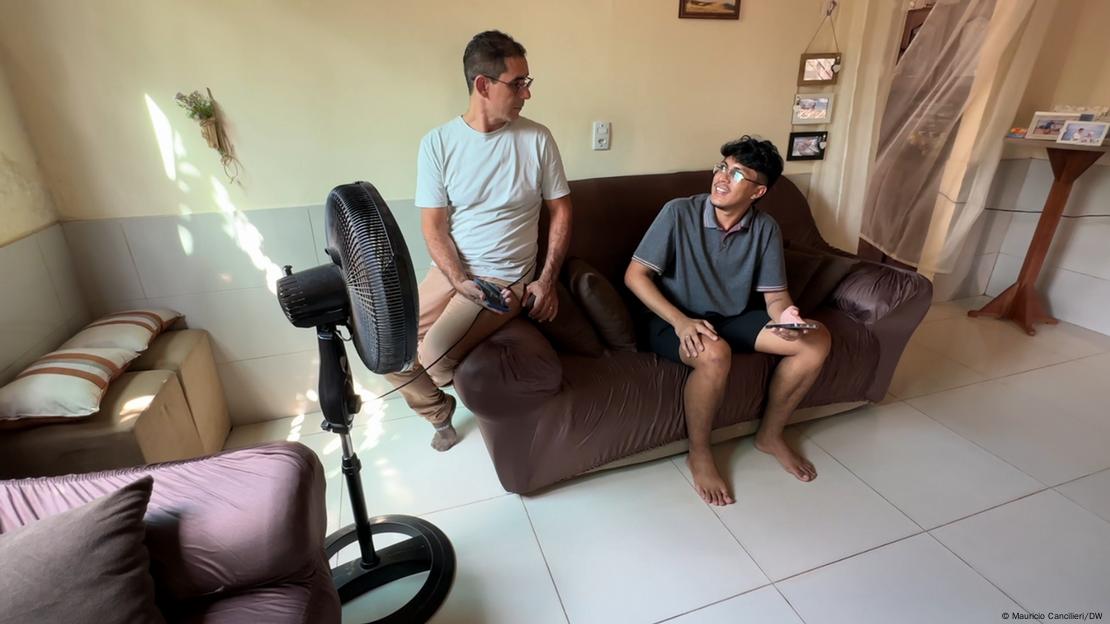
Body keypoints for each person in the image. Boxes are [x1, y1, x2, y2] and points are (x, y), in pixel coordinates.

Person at [385, 30, 573, 452]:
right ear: (483, 85)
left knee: (431, 354)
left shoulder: (537, 139)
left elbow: (561, 210)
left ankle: (445, 391)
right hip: (453, 270)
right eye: (518, 83)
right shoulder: (438, 144)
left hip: (504, 278)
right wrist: (456, 278)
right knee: (386, 345)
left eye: (528, 82)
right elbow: (434, 227)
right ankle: (438, 412)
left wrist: (545, 281)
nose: (527, 93)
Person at [624, 136, 831, 506]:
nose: (722, 177)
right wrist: (681, 321)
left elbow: (775, 296)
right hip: (671, 317)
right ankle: (699, 452)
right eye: (722, 167)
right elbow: (635, 275)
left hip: (731, 315)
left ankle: (770, 435)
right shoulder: (678, 212)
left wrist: (788, 316)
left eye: (738, 173)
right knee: (715, 354)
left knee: (816, 340)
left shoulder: (766, 228)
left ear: (758, 190)